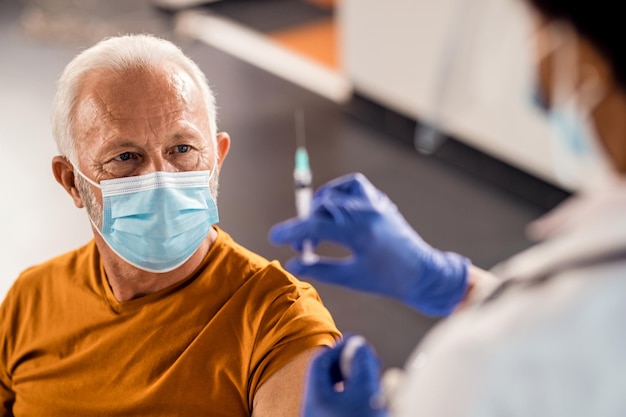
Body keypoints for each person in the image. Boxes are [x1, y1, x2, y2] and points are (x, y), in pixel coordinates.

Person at [269, 0, 626, 415]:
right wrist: (461, 287)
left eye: (541, 30)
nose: (540, 67)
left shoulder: (490, 364)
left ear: (588, 66)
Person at [0, 34, 341, 416]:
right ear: (71, 181)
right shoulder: (30, 301)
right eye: (125, 156)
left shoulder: (278, 322)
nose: (160, 177)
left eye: (182, 149)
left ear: (218, 158)